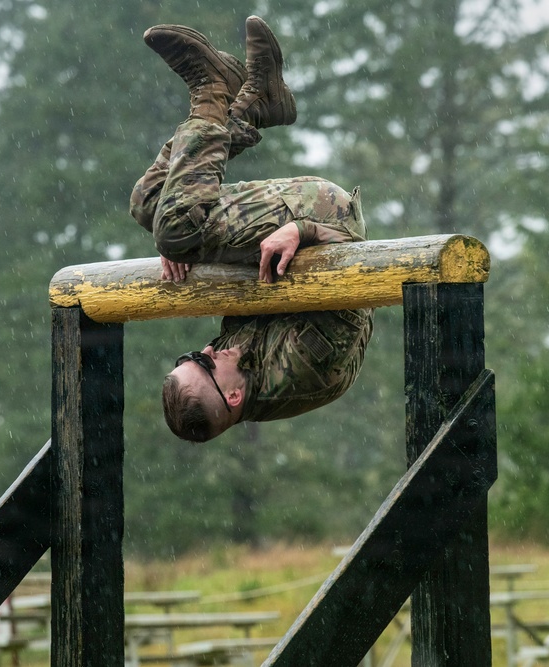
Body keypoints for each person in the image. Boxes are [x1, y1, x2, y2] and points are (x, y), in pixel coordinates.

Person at [130, 16, 373, 442]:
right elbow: (358, 262)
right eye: (204, 364)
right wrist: (302, 230)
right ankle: (211, 94)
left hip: (280, 233)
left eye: (191, 355)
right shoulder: (308, 368)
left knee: (150, 205)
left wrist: (194, 241)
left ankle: (253, 105)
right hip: (325, 219)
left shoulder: (235, 364)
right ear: (235, 396)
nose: (207, 349)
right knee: (174, 230)